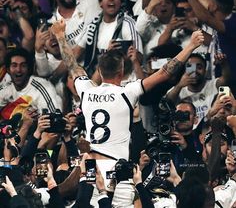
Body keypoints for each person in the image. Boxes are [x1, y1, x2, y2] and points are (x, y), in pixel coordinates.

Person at [51, 18, 204, 161]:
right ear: (121, 72)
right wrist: (190, 46)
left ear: (100, 71)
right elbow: (165, 72)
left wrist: (60, 35)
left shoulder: (86, 90)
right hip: (117, 167)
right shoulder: (127, 92)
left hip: (93, 166)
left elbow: (72, 64)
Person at [0, 48, 62, 117]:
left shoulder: (42, 87)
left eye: (23, 65)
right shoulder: (6, 88)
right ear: (8, 70)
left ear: (29, 69)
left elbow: (55, 118)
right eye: (14, 65)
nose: (18, 70)